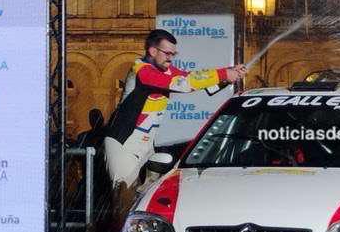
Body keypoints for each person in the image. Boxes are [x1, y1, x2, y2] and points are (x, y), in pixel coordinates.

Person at [103, 29, 246, 191]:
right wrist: (223, 74)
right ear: (153, 51)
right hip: (124, 143)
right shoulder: (141, 69)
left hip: (147, 144)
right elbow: (184, 84)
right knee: (124, 197)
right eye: (167, 53)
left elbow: (195, 79)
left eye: (173, 54)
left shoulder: (166, 70)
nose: (170, 58)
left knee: (146, 195)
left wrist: (229, 75)